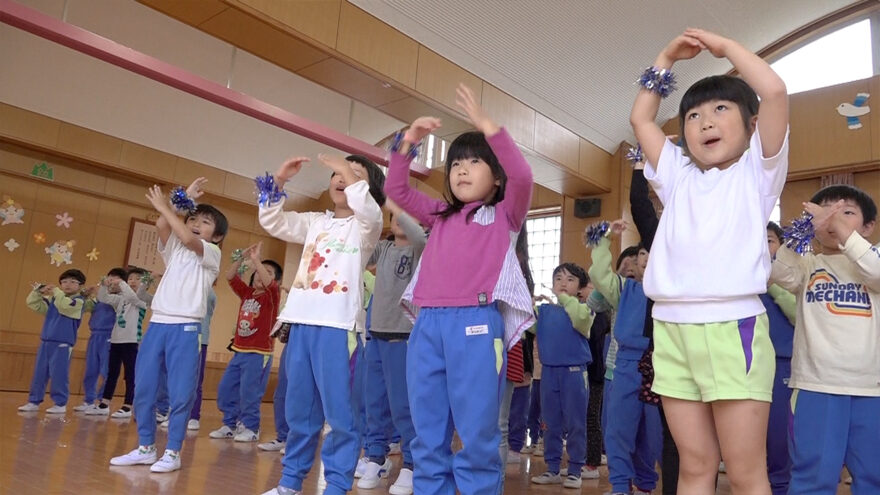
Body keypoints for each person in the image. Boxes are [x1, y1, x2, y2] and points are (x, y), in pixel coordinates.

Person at [630, 28, 789, 494]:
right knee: (694, 467)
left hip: (732, 328)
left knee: (743, 472)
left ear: (751, 125)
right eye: (694, 115)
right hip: (671, 331)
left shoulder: (757, 173)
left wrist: (726, 50)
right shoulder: (677, 177)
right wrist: (665, 57)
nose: (704, 122)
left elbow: (775, 91)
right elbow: (641, 120)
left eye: (721, 109)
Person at [384, 83, 535, 494]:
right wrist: (408, 144)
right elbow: (395, 191)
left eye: (474, 162)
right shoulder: (440, 215)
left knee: (477, 432)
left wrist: (489, 128)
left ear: (497, 180)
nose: (462, 170)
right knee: (427, 431)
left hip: (477, 325)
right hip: (428, 326)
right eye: (456, 164)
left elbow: (523, 175)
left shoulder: (504, 215)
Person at [258, 150, 384, 495]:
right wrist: (280, 181)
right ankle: (290, 482)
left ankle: (337, 485)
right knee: (300, 412)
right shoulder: (316, 221)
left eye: (355, 175)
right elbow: (274, 222)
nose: (342, 178)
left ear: (368, 192)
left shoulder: (366, 227)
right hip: (301, 324)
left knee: (341, 417)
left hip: (338, 329)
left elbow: (370, 212)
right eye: (337, 174)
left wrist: (348, 168)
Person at [110, 177, 227, 473]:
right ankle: (146, 448)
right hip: (158, 325)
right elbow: (164, 226)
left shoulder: (211, 253)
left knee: (180, 392)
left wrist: (166, 205)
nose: (197, 224)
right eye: (194, 218)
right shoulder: (174, 249)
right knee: (145, 388)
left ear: (216, 237)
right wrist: (182, 198)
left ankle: (173, 452)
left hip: (186, 328)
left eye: (206, 223)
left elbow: (188, 238)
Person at [771, 185, 879, 493]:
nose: (834, 220)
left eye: (846, 213)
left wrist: (844, 233)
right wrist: (802, 232)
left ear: (868, 227)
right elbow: (780, 271)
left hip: (872, 388)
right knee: (812, 476)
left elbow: (876, 271)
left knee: (873, 475)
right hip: (816, 386)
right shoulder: (809, 266)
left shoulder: (874, 258)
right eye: (825, 213)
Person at [358, 200, 425, 494]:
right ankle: (375, 456)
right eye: (394, 216)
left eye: (406, 216)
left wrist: (399, 206)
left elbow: (421, 237)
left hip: (404, 336)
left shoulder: (421, 249)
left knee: (403, 406)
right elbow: (360, 253)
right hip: (376, 335)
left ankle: (411, 463)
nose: (398, 220)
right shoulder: (384, 248)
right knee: (373, 402)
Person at [587, 221, 660, 495]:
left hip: (661, 368)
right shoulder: (625, 289)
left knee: (651, 435)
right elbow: (598, 273)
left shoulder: (671, 292)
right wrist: (604, 237)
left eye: (653, 253)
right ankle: (620, 486)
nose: (646, 258)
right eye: (642, 253)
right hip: (626, 366)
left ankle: (645, 484)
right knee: (619, 429)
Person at [529, 263, 594, 489]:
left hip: (574, 372)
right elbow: (526, 323)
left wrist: (565, 298)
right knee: (549, 423)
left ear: (580, 287)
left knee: (576, 422)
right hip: (548, 372)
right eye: (558, 278)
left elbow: (578, 317)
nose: (563, 283)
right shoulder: (544, 312)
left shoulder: (583, 309)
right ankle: (553, 468)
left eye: (570, 279)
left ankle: (575, 469)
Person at [209, 242, 282, 442]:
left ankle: (251, 427)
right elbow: (230, 276)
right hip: (239, 350)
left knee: (250, 392)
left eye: (267, 272)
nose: (260, 274)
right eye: (258, 272)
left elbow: (269, 283)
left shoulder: (272, 296)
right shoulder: (247, 293)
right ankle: (229, 424)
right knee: (226, 389)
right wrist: (241, 257)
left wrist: (257, 260)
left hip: (259, 353)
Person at [18, 268, 89, 414]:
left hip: (63, 343)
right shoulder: (55, 299)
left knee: (59, 374)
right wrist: (38, 291)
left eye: (72, 282)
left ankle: (60, 403)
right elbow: (34, 304)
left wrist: (56, 291)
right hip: (46, 342)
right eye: (64, 282)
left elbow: (64, 307)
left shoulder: (79, 301)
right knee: (39, 373)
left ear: (80, 285)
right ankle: (34, 401)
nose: (67, 284)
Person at [762, 222, 797, 494]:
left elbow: (799, 315)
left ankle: (781, 487)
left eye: (770, 239)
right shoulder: (741, 276)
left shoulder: (793, 276)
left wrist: (772, 285)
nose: (763, 244)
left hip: (781, 365)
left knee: (778, 437)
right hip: (745, 366)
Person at [90, 267, 152, 418]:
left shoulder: (142, 299)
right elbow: (104, 298)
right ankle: (104, 403)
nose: (133, 281)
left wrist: (122, 284)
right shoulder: (121, 299)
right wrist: (105, 284)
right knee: (112, 372)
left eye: (137, 279)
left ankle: (128, 405)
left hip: (131, 341)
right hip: (116, 339)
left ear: (144, 283)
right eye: (130, 278)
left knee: (130, 374)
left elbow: (132, 297)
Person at [74, 270, 118, 413]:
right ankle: (88, 400)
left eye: (114, 280)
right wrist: (84, 294)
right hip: (94, 336)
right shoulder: (98, 299)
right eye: (109, 279)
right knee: (91, 369)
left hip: (110, 337)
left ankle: (102, 402)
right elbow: (83, 307)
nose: (110, 282)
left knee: (106, 371)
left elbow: (108, 300)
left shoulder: (120, 299)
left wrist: (103, 290)